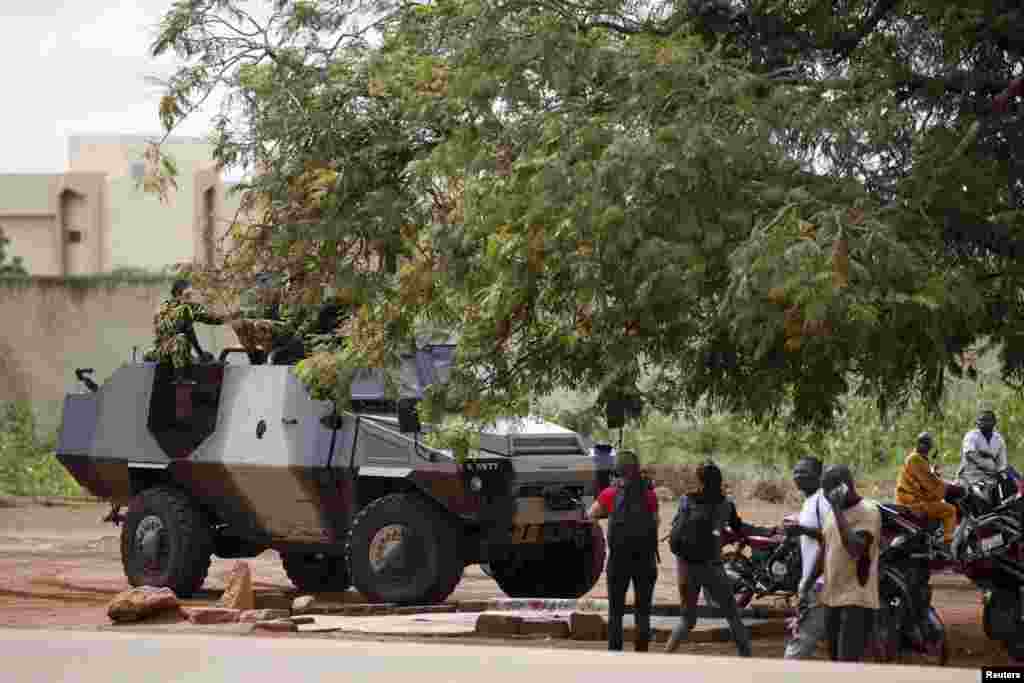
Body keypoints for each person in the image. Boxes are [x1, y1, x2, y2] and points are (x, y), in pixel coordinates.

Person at [665, 461, 777, 657]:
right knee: (733, 616)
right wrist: (768, 531)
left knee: (687, 620)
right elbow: (741, 529)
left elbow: (676, 531)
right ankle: (747, 658)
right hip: (713, 567)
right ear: (719, 480)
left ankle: (666, 657)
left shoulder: (686, 501)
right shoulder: (726, 505)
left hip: (686, 567)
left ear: (698, 479)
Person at [801, 464, 880, 663]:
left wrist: (836, 509)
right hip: (832, 597)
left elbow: (854, 549)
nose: (826, 496)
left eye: (829, 490)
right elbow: (826, 547)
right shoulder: (833, 513)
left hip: (856, 599)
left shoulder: (868, 512)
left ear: (843, 487)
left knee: (847, 665)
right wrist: (807, 582)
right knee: (835, 663)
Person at [587, 450, 659, 652]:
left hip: (618, 560)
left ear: (618, 469)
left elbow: (589, 516)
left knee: (615, 612)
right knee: (643, 612)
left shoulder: (610, 494)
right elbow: (655, 522)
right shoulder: (650, 494)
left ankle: (615, 656)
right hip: (645, 560)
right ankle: (641, 654)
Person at [783, 456, 831, 659]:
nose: (798, 476)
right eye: (796, 471)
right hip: (813, 580)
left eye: (804, 472)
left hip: (819, 582)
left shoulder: (823, 499)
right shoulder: (810, 500)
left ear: (819, 475)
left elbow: (832, 536)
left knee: (800, 644)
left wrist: (802, 529)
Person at [147, 279, 231, 382]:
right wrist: (199, 352)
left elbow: (211, 318)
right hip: (164, 352)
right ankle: (179, 378)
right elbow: (168, 330)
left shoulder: (189, 307)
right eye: (187, 294)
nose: (190, 297)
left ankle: (188, 367)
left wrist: (231, 317)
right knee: (180, 339)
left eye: (191, 295)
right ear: (178, 294)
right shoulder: (164, 309)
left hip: (183, 353)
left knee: (207, 359)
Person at [896, 432, 957, 545]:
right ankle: (948, 543)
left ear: (930, 447)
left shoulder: (919, 458)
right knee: (950, 510)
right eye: (922, 443)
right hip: (913, 503)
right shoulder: (915, 459)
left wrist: (937, 478)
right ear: (918, 444)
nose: (924, 446)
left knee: (938, 503)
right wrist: (950, 488)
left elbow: (927, 480)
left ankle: (935, 535)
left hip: (914, 500)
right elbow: (930, 482)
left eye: (926, 444)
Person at [957, 409, 1009, 488]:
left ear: (994, 422)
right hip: (970, 474)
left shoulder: (999, 439)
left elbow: (1002, 462)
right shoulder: (971, 436)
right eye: (980, 420)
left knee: (1010, 483)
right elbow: (970, 455)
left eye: (987, 420)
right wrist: (989, 467)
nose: (982, 422)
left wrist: (1001, 471)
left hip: (991, 476)